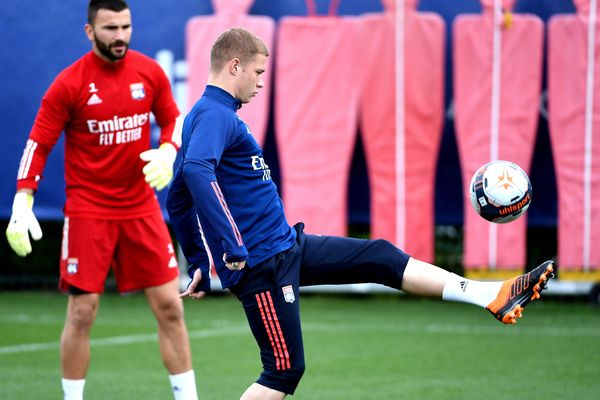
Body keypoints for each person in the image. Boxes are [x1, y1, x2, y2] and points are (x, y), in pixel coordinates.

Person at [167, 27, 555, 400]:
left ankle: (491, 293)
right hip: (261, 264)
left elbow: (178, 199)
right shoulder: (215, 115)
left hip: (286, 246)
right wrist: (230, 249)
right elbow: (197, 173)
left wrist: (200, 261)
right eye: (257, 72)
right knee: (283, 371)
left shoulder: (211, 114)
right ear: (234, 66)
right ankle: (490, 294)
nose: (261, 82)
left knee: (380, 257)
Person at [5, 1, 199, 399]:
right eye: (110, 28)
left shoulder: (149, 72)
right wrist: (23, 200)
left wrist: (168, 152)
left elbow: (173, 119)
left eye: (126, 27)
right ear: (89, 32)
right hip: (89, 208)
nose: (121, 36)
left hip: (141, 207)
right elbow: (38, 143)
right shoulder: (69, 83)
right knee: (82, 312)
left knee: (171, 308)